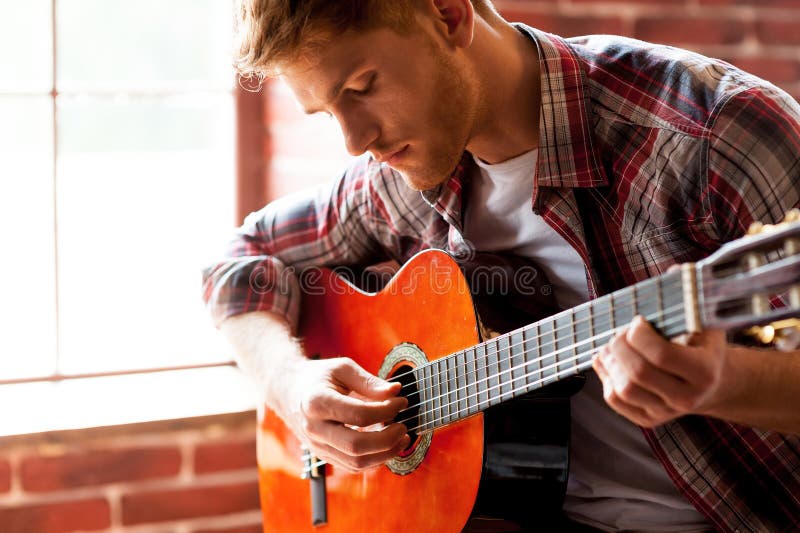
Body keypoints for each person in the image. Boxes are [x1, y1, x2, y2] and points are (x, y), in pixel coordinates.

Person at [202, 0, 800, 530]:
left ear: (448, 16)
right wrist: (290, 384)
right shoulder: (397, 181)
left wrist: (726, 383)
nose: (355, 141)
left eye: (362, 87)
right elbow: (241, 262)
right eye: (327, 111)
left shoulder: (713, 133)